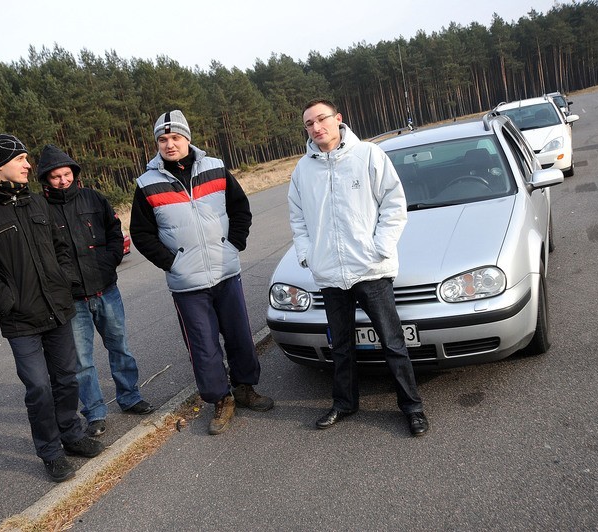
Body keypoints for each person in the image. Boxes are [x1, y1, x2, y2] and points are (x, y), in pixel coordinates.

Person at [0, 134, 104, 482]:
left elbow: (61, 247)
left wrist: (65, 281)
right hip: (20, 319)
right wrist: (9, 301)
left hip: (57, 308)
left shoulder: (37, 204)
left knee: (67, 378)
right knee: (38, 387)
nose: (28, 165)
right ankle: (50, 452)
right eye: (21, 159)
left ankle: (72, 435)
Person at [288, 100, 429, 436]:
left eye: (322, 119)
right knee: (341, 345)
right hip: (330, 275)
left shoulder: (368, 155)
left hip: (370, 271)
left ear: (338, 119)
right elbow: (297, 218)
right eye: (309, 123)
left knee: (392, 343)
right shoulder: (302, 171)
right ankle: (344, 403)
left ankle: (412, 408)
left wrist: (379, 248)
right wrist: (309, 255)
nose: (316, 127)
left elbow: (394, 204)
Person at [130, 110, 273, 435]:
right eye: (163, 139)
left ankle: (245, 389)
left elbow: (240, 209)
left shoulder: (216, 168)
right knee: (203, 346)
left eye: (175, 137)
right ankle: (221, 400)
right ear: (157, 144)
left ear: (188, 139)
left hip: (226, 272)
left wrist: (233, 244)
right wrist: (171, 262)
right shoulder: (147, 184)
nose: (170, 144)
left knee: (239, 337)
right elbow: (141, 234)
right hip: (187, 284)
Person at [36, 144, 154, 438]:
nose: (63, 180)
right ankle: (95, 413)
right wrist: (60, 282)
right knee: (82, 362)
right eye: (55, 177)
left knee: (120, 348)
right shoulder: (39, 210)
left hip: (105, 290)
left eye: (67, 174)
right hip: (71, 299)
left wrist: (108, 262)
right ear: (45, 180)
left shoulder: (93, 198)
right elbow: (41, 254)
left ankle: (130, 398)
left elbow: (115, 232)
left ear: (74, 174)